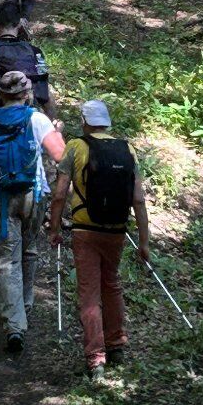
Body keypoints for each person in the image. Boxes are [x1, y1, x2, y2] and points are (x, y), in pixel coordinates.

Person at [0, 70, 66, 353]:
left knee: (8, 257)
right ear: (25, 93)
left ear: (1, 94)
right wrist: (57, 133)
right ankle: (25, 305)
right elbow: (61, 156)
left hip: (0, 195)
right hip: (33, 192)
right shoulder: (37, 118)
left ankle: (14, 324)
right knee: (29, 250)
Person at [48, 100, 150, 381]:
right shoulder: (127, 148)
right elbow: (138, 199)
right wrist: (144, 241)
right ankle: (117, 344)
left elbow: (59, 194)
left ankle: (96, 359)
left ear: (85, 121)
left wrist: (54, 229)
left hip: (85, 229)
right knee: (112, 284)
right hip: (116, 229)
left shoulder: (76, 147)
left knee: (89, 292)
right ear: (106, 122)